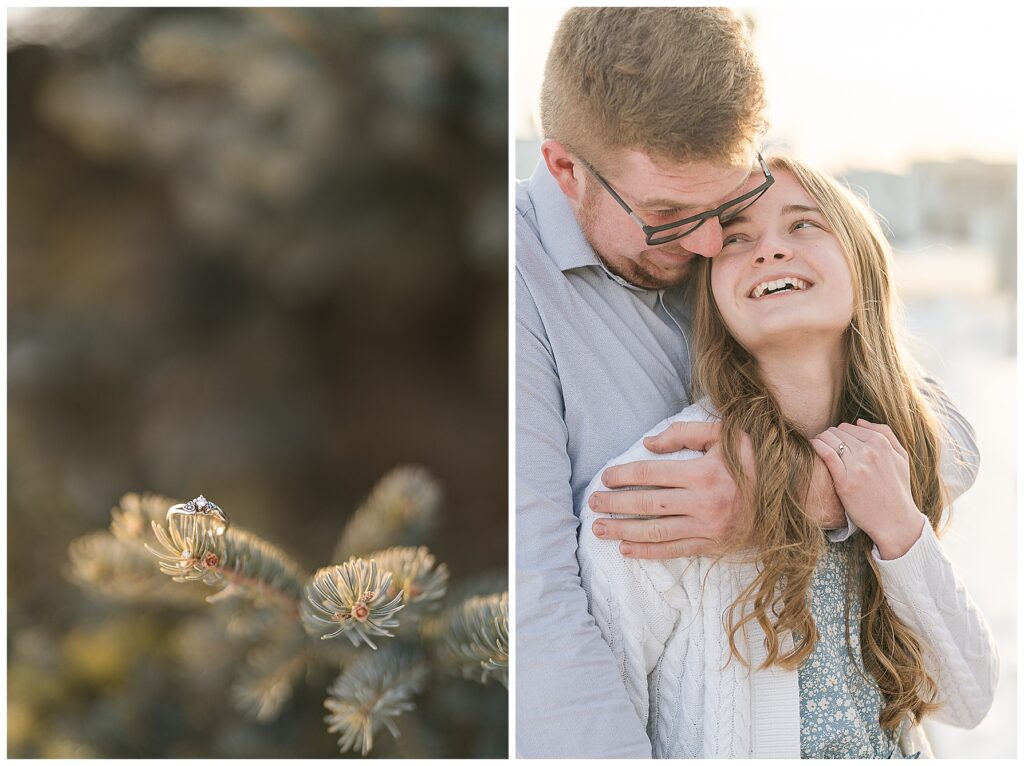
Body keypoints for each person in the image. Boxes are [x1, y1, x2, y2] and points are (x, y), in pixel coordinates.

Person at [516, 7, 979, 757]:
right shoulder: (515, 292)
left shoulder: (746, 258)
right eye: (669, 214)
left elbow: (946, 435)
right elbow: (539, 613)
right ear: (567, 170)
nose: (705, 245)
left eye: (724, 206)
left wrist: (798, 490)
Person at [577, 154, 998, 757]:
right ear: (713, 295)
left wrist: (899, 528)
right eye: (737, 237)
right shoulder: (679, 475)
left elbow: (968, 699)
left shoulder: (890, 455)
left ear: (862, 263)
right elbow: (599, 724)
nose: (770, 250)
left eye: (803, 224)